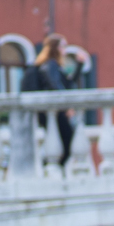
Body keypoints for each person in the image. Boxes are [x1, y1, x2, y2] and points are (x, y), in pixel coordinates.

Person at [28, 35, 77, 167]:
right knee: (69, 140)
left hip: (50, 111)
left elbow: (68, 84)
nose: (65, 50)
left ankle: (52, 167)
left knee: (63, 140)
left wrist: (81, 65)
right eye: (63, 46)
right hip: (54, 111)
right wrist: (67, 107)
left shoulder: (49, 65)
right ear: (56, 48)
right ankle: (52, 167)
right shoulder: (51, 64)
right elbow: (54, 85)